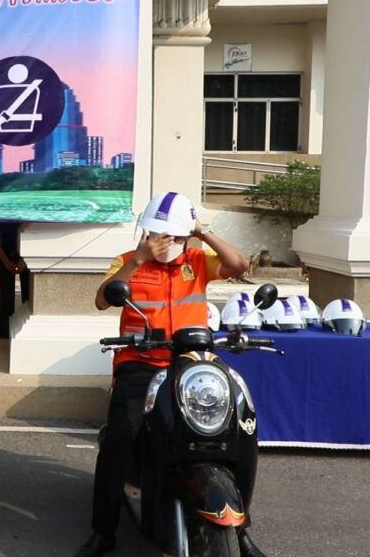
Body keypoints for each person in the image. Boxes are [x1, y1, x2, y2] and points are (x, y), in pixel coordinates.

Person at [75, 191, 263, 557]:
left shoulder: (198, 260)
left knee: (239, 431)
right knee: (119, 439)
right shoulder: (127, 261)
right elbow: (102, 299)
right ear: (146, 232)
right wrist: (139, 259)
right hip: (140, 362)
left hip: (193, 362)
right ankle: (103, 531)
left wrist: (202, 231)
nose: (167, 242)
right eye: (159, 234)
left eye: (175, 236)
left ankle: (239, 531)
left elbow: (240, 265)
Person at [0, 221, 29, 338]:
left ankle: (25, 333)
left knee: (28, 297)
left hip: (27, 252)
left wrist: (24, 259)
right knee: (6, 298)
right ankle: (4, 335)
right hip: (5, 252)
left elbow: (34, 230)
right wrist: (6, 262)